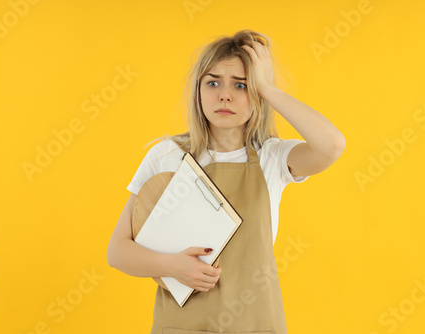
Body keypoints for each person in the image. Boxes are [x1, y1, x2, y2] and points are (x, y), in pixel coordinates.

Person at [107, 29, 345, 333]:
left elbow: (332, 145)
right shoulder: (166, 154)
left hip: (256, 324)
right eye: (213, 82)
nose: (225, 94)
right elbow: (117, 252)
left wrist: (268, 88)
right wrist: (172, 267)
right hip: (183, 324)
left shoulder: (273, 158)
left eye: (241, 85)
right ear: (198, 90)